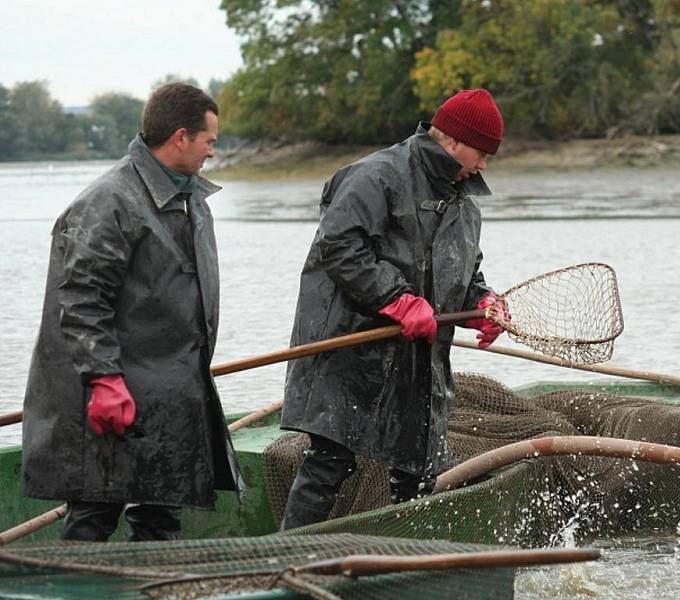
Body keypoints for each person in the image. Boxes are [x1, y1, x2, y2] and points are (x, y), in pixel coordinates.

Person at [22, 82, 245, 542]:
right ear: (181, 137)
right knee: (94, 515)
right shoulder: (109, 202)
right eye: (210, 141)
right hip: (111, 397)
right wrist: (104, 379)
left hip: (166, 395)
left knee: (161, 518)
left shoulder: (189, 198)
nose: (212, 152)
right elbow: (81, 300)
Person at [280, 88, 507, 529]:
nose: (483, 166)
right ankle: (285, 558)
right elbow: (339, 246)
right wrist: (396, 299)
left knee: (419, 471)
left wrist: (482, 302)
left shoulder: (466, 203)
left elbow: (465, 271)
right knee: (331, 460)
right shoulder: (375, 176)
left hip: (418, 357)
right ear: (454, 141)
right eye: (481, 153)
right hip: (349, 347)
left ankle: (407, 564)